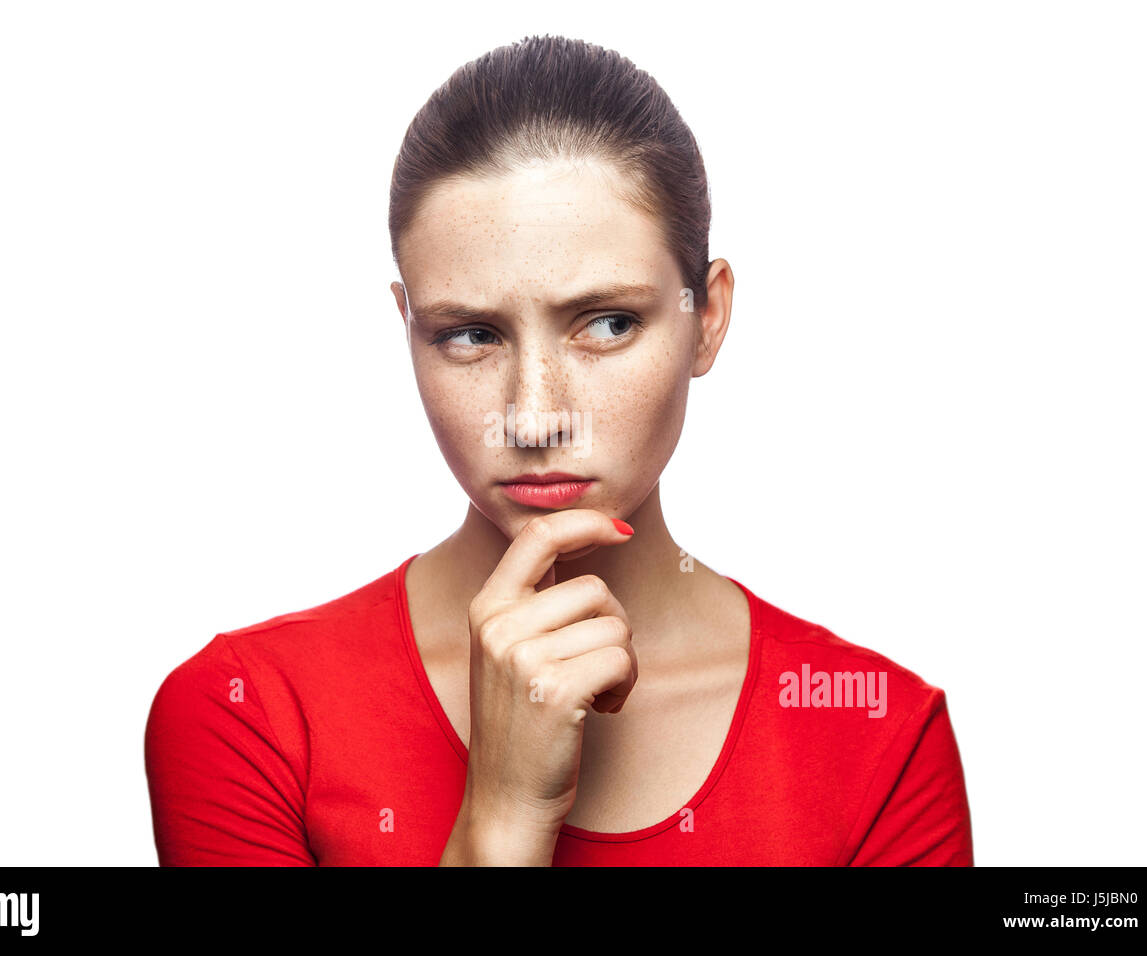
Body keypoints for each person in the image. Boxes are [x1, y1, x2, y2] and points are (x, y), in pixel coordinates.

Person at [144, 34, 973, 866]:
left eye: (608, 323)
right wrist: (503, 816)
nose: (534, 418)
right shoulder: (248, 714)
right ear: (408, 327)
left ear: (708, 317)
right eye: (470, 335)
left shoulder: (875, 737)